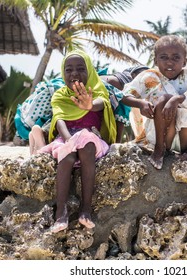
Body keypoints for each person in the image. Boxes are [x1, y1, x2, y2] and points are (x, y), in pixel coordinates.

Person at [122, 35, 187, 169]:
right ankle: (159, 151)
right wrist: (140, 104)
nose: (169, 62)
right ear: (155, 60)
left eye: (176, 58)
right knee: (164, 99)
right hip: (162, 134)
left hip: (186, 135)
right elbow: (125, 96)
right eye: (164, 57)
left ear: (184, 61)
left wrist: (177, 99)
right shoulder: (148, 76)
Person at [39, 50, 116, 233]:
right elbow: (59, 120)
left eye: (80, 68)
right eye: (69, 69)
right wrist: (69, 140)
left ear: (89, 71)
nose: (74, 73)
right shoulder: (59, 95)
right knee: (66, 158)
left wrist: (89, 105)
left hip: (91, 137)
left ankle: (86, 209)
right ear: (63, 72)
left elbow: (100, 102)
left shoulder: (96, 90)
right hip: (66, 137)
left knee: (87, 147)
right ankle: (61, 212)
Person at [14, 78, 65, 148]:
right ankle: (41, 148)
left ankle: (37, 151)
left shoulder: (52, 86)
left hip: (31, 124)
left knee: (34, 136)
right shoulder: (63, 88)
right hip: (50, 121)